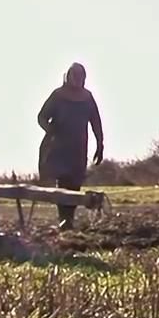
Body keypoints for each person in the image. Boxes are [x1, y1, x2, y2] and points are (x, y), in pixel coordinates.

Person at [37, 62, 104, 231]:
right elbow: (42, 117)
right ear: (69, 76)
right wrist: (51, 130)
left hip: (79, 147)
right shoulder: (58, 95)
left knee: (75, 184)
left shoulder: (87, 97)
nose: (78, 80)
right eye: (75, 76)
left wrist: (100, 144)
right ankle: (63, 219)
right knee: (63, 183)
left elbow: (96, 122)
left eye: (81, 76)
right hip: (59, 147)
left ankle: (69, 220)